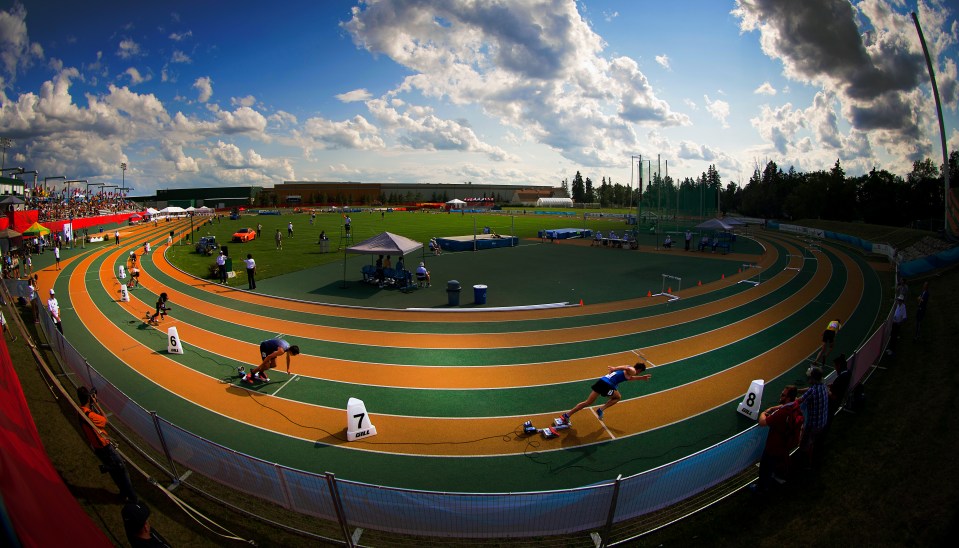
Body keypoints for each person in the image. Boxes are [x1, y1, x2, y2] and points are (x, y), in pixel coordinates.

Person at [77, 386, 137, 503]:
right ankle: (133, 499)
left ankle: (122, 493)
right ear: (88, 399)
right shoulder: (90, 415)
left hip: (97, 447)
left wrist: (91, 404)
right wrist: (96, 403)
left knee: (114, 472)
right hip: (105, 447)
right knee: (122, 471)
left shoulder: (80, 411)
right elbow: (105, 420)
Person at [561, 362, 652, 424]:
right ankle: (601, 409)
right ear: (639, 369)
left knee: (587, 402)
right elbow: (626, 369)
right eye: (640, 372)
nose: (639, 373)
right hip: (607, 385)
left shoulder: (629, 371)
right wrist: (615, 368)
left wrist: (641, 378)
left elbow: (629, 377)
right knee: (617, 397)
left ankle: (567, 415)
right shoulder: (632, 370)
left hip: (601, 381)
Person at [752, 385, 802, 494]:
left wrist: (763, 413)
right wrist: (774, 408)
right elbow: (785, 406)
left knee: (765, 466)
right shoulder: (795, 405)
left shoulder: (783, 413)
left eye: (783, 395)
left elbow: (763, 422)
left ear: (788, 398)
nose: (781, 396)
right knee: (776, 462)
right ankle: (776, 476)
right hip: (785, 443)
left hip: (774, 445)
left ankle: (762, 488)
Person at [796, 365, 829, 468]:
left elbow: (798, 401)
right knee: (813, 442)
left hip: (813, 425)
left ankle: (805, 464)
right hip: (822, 421)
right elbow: (809, 389)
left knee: (805, 444)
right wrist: (799, 390)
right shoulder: (823, 385)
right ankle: (812, 457)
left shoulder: (813, 391)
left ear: (813, 378)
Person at [828, 354, 851, 418]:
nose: (835, 368)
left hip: (833, 404)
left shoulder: (840, 378)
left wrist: (826, 390)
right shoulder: (848, 372)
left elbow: (833, 396)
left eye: (835, 366)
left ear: (839, 366)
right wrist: (833, 385)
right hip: (839, 399)